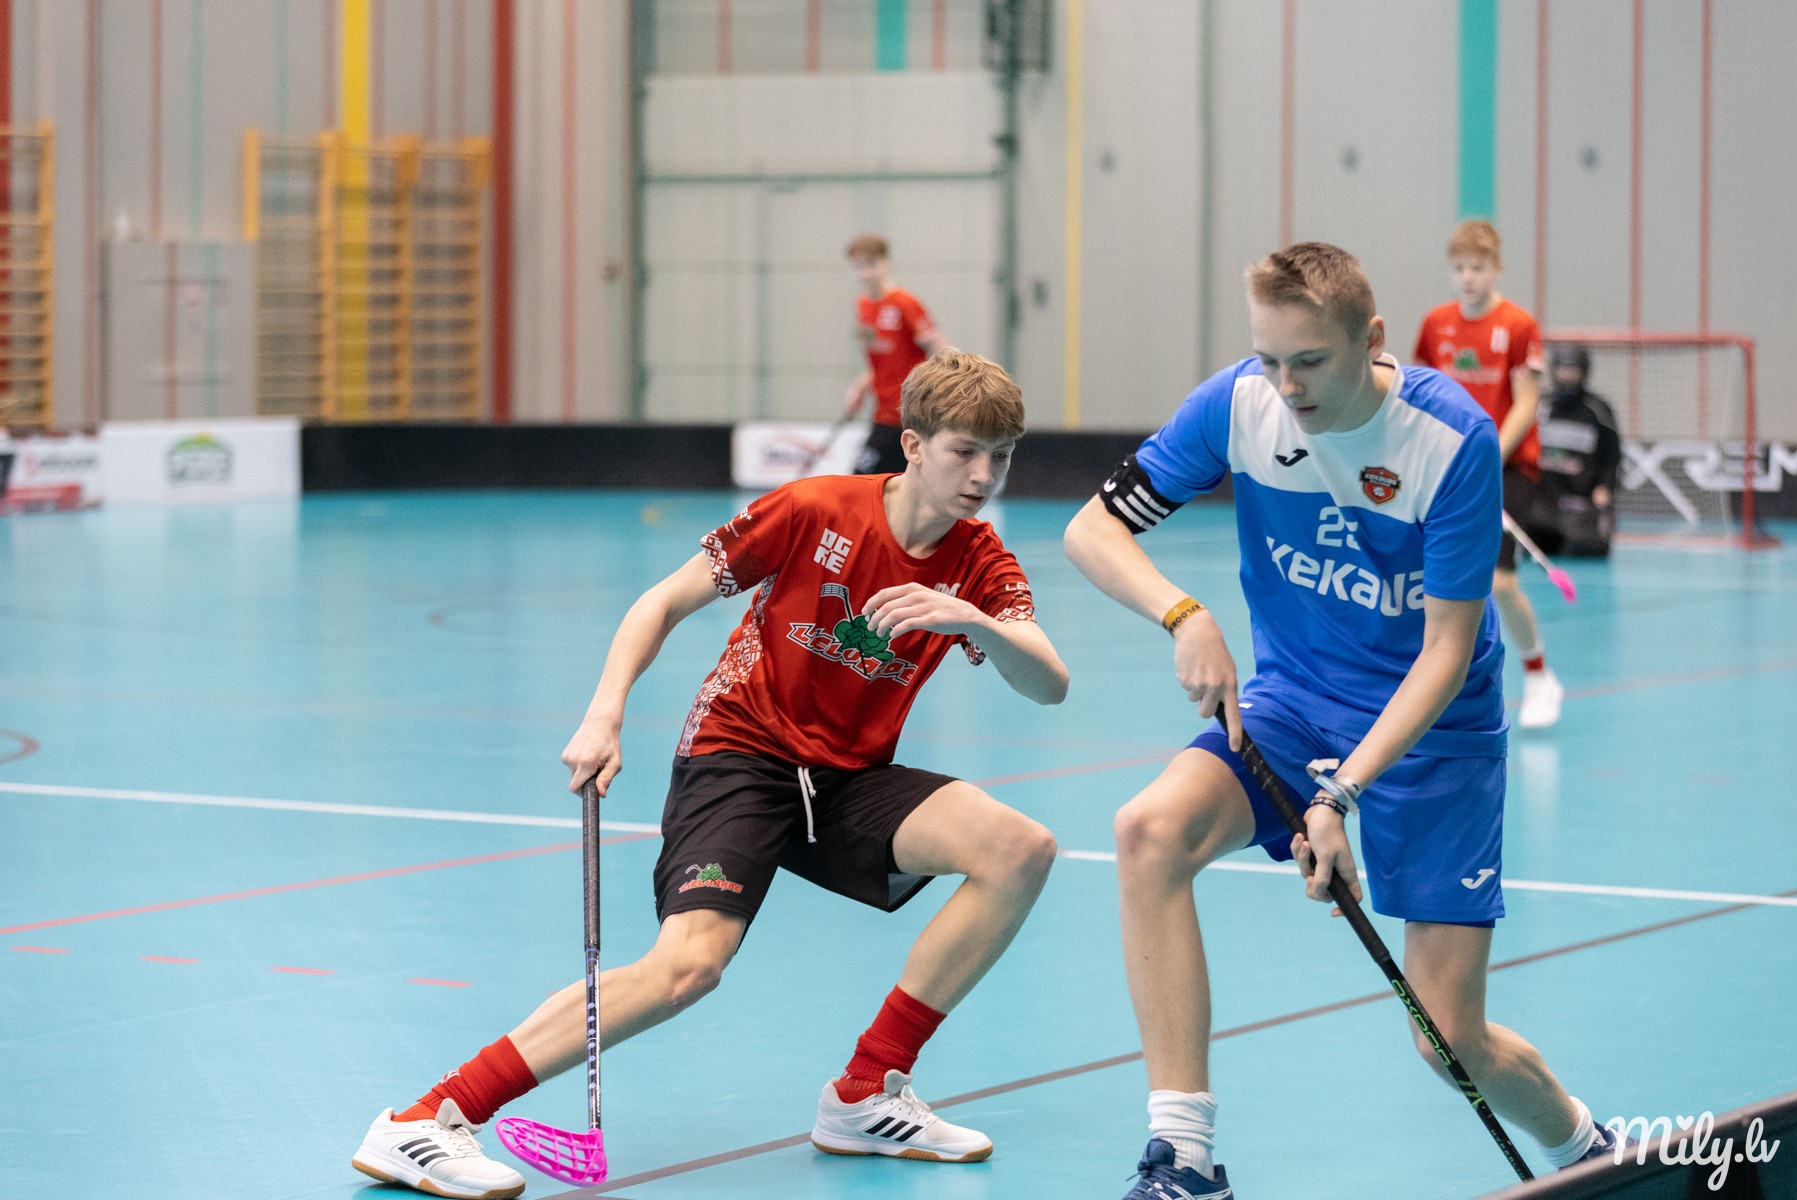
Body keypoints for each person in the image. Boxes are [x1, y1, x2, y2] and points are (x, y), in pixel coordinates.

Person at [353, 351, 1067, 1199]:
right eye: (965, 452)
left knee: (1019, 849)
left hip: (846, 777)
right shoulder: (814, 509)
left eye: (1002, 456)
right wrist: (605, 711)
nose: (984, 476)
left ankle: (865, 1093)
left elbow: (1049, 682)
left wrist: (972, 619)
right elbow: (662, 600)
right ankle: (427, 1119)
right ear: (912, 445)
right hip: (742, 753)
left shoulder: (978, 561)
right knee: (687, 968)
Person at [1065, 243, 1624, 1200]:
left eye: (1310, 361)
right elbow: (1092, 528)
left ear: (1371, 339)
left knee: (1447, 1039)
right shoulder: (1238, 405)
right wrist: (1182, 614)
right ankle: (1186, 1160)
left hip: (1434, 730)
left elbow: (1446, 653)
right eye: (1269, 359)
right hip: (1294, 700)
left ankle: (1591, 1153)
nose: (1287, 386)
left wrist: (1339, 795)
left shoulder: (1450, 439)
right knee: (1148, 833)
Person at [1413, 220, 1564, 729]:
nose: (1467, 277)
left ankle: (1539, 675)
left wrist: (1487, 454)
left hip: (1506, 465)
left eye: (1477, 267)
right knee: (1427, 583)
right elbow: (1421, 392)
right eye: (1459, 268)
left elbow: (1526, 403)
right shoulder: (1436, 324)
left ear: (1496, 268)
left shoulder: (1519, 326)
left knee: (1498, 582)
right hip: (1445, 467)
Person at [843, 234, 951, 476]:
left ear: (885, 263)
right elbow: (883, 361)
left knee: (861, 479)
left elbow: (941, 349)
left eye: (870, 265)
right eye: (857, 266)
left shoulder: (905, 303)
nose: (864, 273)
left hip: (906, 413)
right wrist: (860, 387)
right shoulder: (863, 305)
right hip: (882, 410)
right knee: (893, 482)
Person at [1536, 343, 1621, 557]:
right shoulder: (1541, 406)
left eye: (1572, 370)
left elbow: (1612, 455)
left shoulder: (1598, 410)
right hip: (1544, 501)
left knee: (1581, 548)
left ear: (1584, 371)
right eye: (1563, 369)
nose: (1567, 376)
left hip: (1581, 502)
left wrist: (1605, 487)